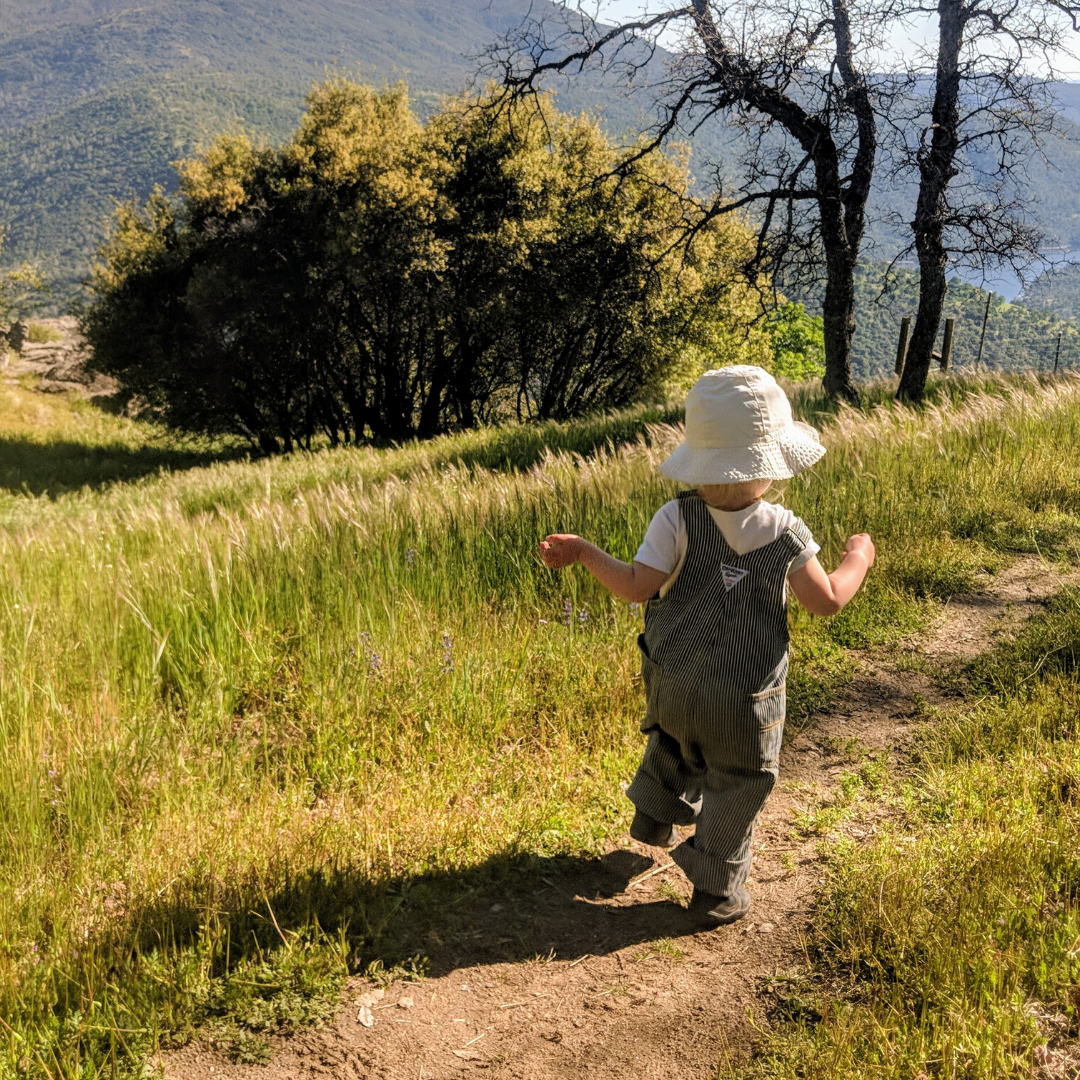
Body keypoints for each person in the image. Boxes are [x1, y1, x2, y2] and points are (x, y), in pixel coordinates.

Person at [539, 366, 874, 927]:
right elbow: (828, 601)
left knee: (673, 740)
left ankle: (652, 816)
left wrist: (585, 552)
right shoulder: (786, 532)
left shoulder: (676, 517)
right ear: (769, 465)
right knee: (738, 781)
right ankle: (717, 891)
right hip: (744, 703)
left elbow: (635, 588)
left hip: (673, 682)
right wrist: (857, 557)